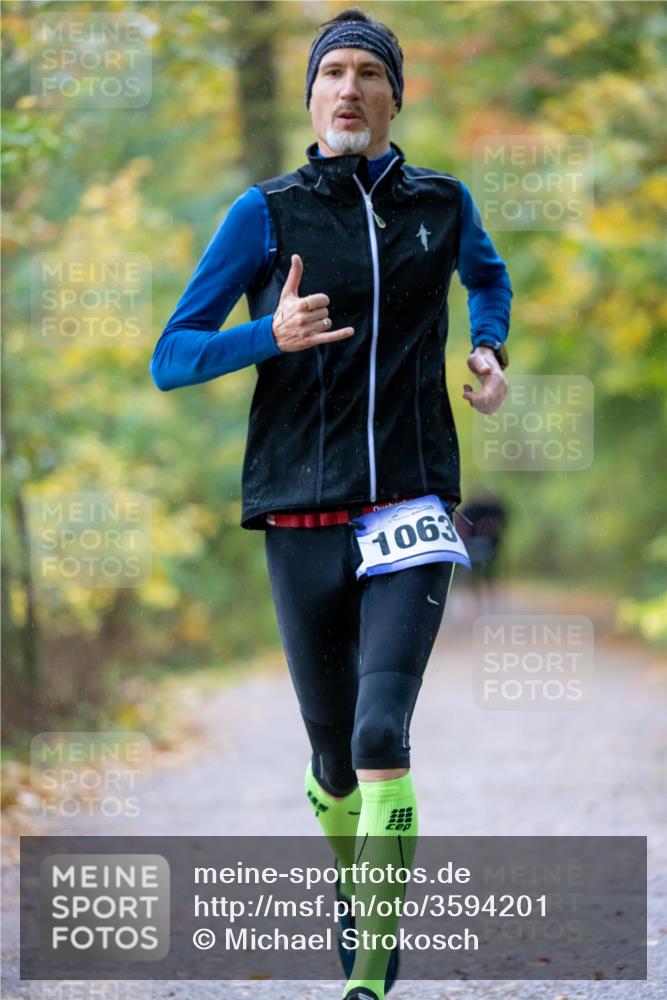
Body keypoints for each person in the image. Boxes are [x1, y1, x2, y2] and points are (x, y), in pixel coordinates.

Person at [150, 8, 512, 999]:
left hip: (410, 505)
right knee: (331, 755)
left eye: (367, 74)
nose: (347, 90)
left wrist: (488, 345)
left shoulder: (442, 202)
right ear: (311, 96)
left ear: (397, 95)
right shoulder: (262, 214)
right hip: (301, 510)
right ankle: (354, 895)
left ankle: (373, 960)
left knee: (378, 731)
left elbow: (488, 272)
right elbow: (171, 358)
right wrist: (267, 334)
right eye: (331, 74)